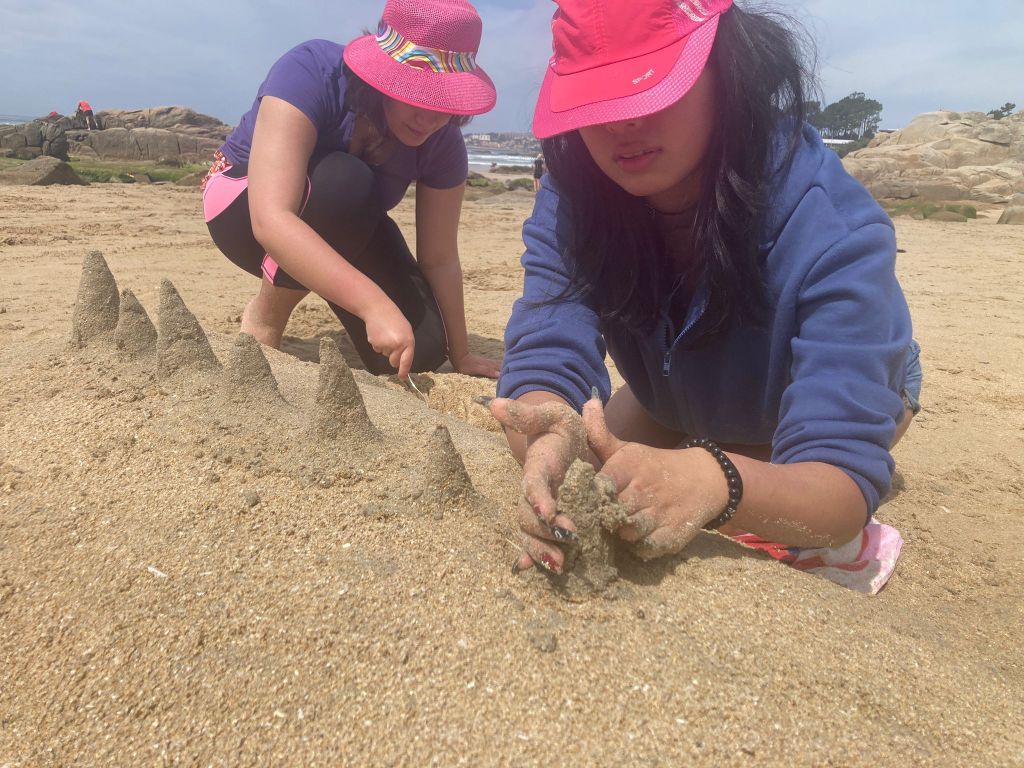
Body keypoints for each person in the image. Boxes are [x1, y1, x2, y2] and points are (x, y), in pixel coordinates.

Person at [486, 0, 922, 576]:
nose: (620, 122)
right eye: (599, 97)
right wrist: (544, 426)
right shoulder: (575, 197)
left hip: (800, 389)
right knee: (585, 459)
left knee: (783, 505)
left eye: (649, 88)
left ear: (726, 65)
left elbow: (838, 486)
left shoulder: (832, 228)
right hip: (673, 388)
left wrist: (717, 480)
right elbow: (548, 353)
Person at [202, 0, 500, 380]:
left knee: (419, 352)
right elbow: (270, 218)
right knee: (348, 182)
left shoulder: (442, 143)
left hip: (348, 226)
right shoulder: (311, 70)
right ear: (386, 75)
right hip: (241, 210)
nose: (431, 118)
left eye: (445, 101)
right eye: (419, 94)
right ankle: (266, 314)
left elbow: (439, 257)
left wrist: (462, 354)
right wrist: (372, 303)